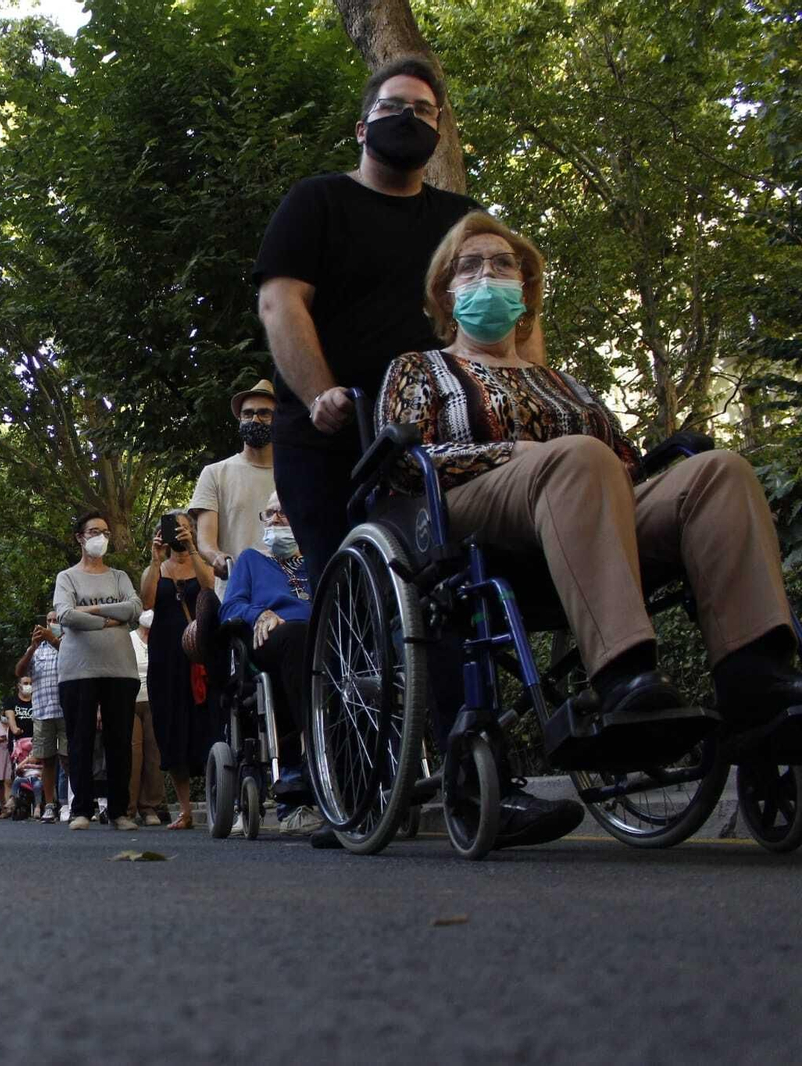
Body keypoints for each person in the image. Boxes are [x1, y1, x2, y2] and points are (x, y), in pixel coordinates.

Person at [377, 213, 802, 827]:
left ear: (525, 291)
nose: (489, 276)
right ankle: (622, 677)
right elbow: (406, 467)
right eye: (471, 267)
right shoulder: (419, 369)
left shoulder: (565, 384)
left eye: (504, 266)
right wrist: (512, 453)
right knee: (578, 457)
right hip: (472, 512)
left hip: (589, 509)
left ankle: (753, 678)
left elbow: (624, 466)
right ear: (446, 294)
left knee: (719, 471)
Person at [254, 57, 542, 588]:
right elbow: (280, 304)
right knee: (347, 594)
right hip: (333, 441)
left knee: (453, 587)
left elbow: (512, 309)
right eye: (391, 107)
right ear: (363, 128)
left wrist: (527, 397)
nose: (407, 118)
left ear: (437, 133)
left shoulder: (462, 219)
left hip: (441, 436)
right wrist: (322, 395)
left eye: (422, 111)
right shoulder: (316, 202)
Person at [218, 494, 325, 836]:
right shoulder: (251, 561)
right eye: (270, 513)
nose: (276, 519)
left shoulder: (317, 562)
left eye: (285, 512)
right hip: (270, 640)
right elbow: (229, 607)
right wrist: (259, 613)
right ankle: (306, 763)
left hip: (325, 640)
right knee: (294, 637)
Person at [53, 511, 143, 831]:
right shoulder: (67, 577)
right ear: (80, 537)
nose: (100, 538)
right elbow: (65, 615)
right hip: (78, 670)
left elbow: (135, 609)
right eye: (94, 531)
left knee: (119, 741)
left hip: (121, 669)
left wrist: (89, 610)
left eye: (105, 532)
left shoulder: (119, 576)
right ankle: (81, 809)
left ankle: (120, 811)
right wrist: (110, 619)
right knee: (80, 740)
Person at [140, 511, 219, 831]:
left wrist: (195, 549)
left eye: (185, 529)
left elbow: (210, 588)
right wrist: (155, 559)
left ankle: (220, 804)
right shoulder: (157, 568)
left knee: (209, 724)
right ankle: (185, 811)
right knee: (171, 728)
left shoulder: (202, 561)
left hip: (201, 654)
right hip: (165, 657)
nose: (179, 535)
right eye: (173, 530)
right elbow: (146, 602)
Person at [190, 380, 278, 580]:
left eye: (264, 413)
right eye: (247, 414)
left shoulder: (294, 472)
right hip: (236, 593)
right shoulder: (214, 473)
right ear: (239, 419)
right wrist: (217, 557)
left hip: (289, 593)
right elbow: (205, 541)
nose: (254, 419)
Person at [15, 622, 64, 822]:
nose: (50, 625)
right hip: (42, 712)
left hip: (66, 711)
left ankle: (73, 803)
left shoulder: (67, 642)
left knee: (70, 759)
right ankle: (50, 805)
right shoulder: (35, 650)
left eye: (55, 620)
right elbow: (19, 672)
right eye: (48, 621)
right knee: (48, 760)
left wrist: (53, 640)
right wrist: (33, 647)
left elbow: (74, 660)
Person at [127, 609, 164, 826]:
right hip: (131, 700)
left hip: (155, 700)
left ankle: (149, 806)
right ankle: (128, 807)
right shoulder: (129, 638)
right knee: (133, 753)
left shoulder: (161, 638)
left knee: (154, 754)